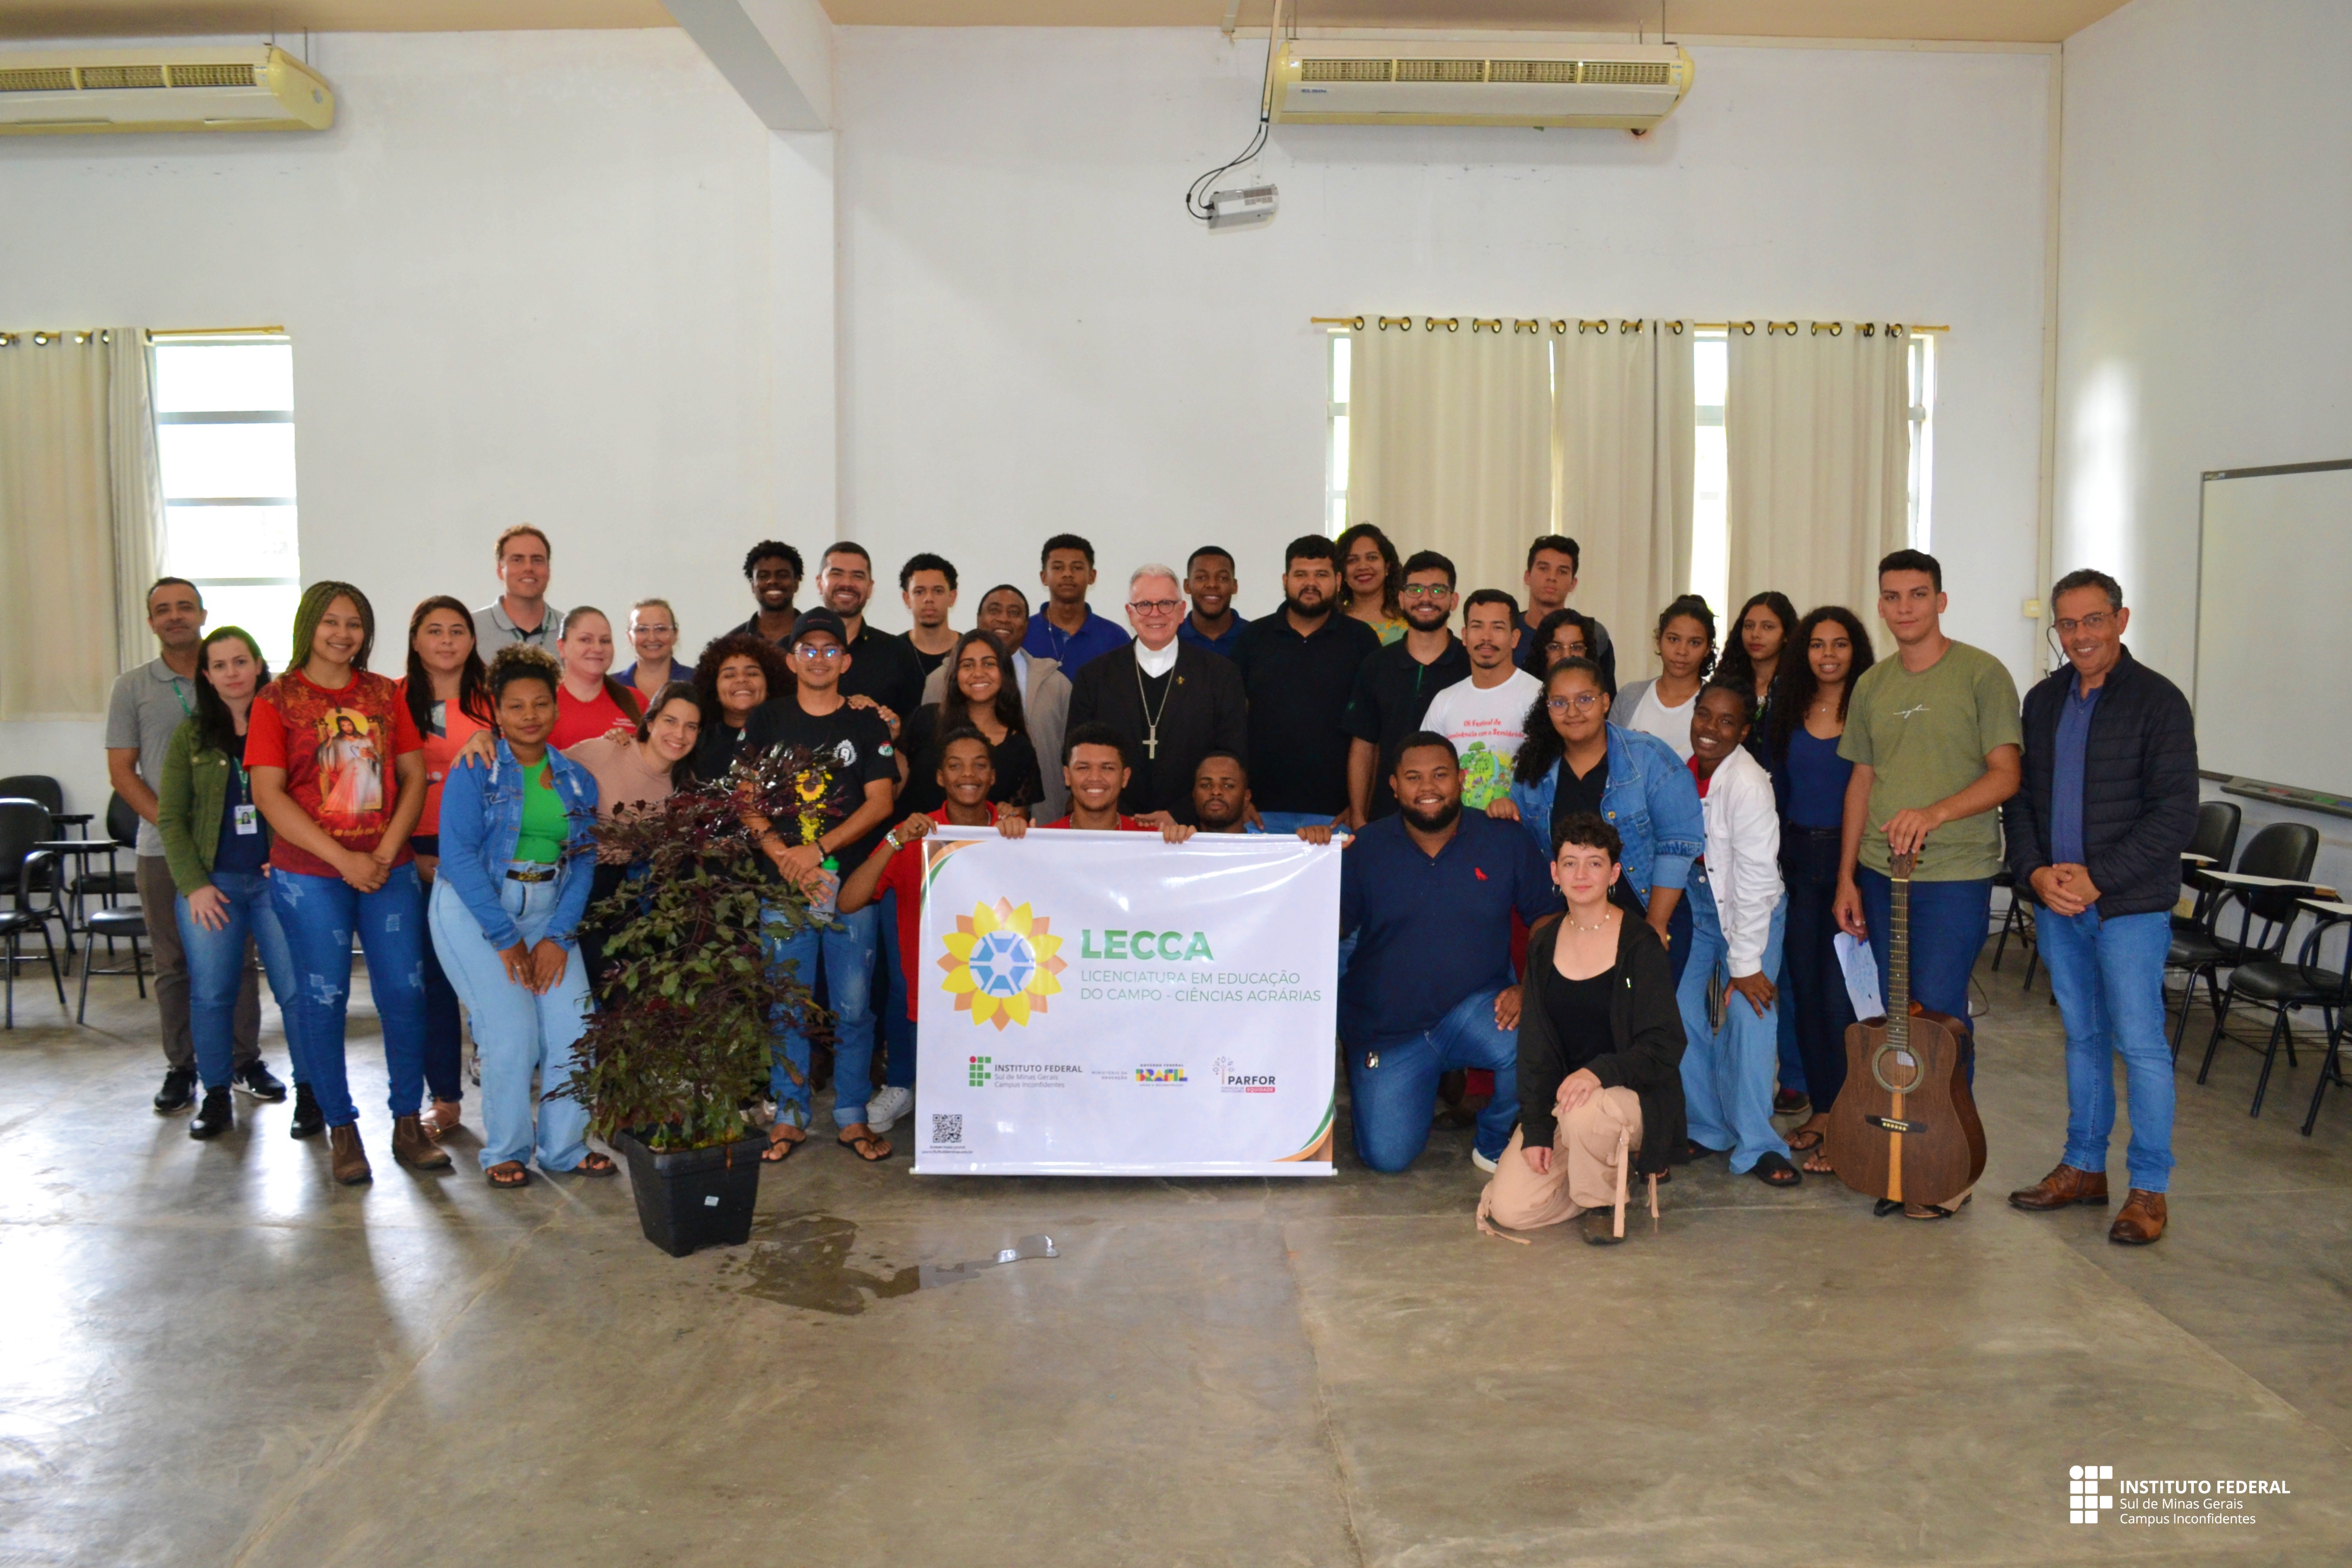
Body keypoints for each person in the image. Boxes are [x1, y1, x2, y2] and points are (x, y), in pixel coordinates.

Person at [2003, 571, 2197, 1246]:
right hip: (2059, 906)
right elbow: (2021, 803)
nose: (2080, 636)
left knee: (2140, 1046)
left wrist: (2098, 881)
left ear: (2121, 619)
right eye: (2068, 624)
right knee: (2082, 1039)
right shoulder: (2044, 701)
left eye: (2093, 620)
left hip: (2129, 908)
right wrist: (2033, 873)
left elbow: (2175, 816)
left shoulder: (2159, 702)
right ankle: (2084, 1167)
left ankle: (2149, 1188)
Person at [1835, 550, 2022, 1219]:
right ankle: (1901, 1159)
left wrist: (1936, 813)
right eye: (1892, 596)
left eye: (1918, 594)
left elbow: (2006, 774)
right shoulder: (1873, 685)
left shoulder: (1982, 675)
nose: (1905, 607)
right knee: (1896, 1024)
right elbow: (1861, 781)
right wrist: (1847, 877)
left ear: (1941, 600)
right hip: (1882, 876)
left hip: (1954, 873)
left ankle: (1947, 1170)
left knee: (1941, 1021)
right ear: (1881, 606)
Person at [247, 581, 435, 1186]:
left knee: (405, 995)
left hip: (388, 867)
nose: (343, 634)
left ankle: (409, 1123)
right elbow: (268, 795)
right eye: (331, 621)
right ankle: (342, 1129)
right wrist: (343, 859)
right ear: (309, 625)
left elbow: (412, 776)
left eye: (355, 623)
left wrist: (381, 852)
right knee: (322, 999)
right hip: (311, 877)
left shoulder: (384, 695)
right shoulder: (275, 701)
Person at [427, 645, 615, 1188]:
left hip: (549, 911)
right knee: (510, 1034)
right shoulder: (476, 768)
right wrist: (506, 937)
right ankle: (506, 1150)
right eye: (515, 706)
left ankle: (563, 1147)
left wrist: (558, 936)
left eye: (539, 704)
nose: (529, 715)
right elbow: (459, 858)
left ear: (555, 708)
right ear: (497, 712)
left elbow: (583, 862)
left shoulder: (578, 780)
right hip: (475, 912)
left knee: (576, 1028)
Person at [1339, 734, 1560, 1173]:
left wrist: (1530, 986)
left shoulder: (1504, 840)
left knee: (1538, 1028)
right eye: (1414, 777)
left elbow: (1547, 917)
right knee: (1387, 1158)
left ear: (1460, 780)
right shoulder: (1365, 849)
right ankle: (1418, 1083)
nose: (1428, 787)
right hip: (1389, 1031)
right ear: (1394, 786)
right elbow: (1326, 926)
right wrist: (1311, 857)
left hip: (1476, 1012)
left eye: (1440, 775)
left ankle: (1496, 1140)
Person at [1477, 813, 1687, 1246]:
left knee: (1586, 1111)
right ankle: (1602, 1176)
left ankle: (1602, 1203)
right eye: (1570, 862)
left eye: (1595, 863)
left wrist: (1598, 1073)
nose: (1581, 873)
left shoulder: (1639, 944)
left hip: (1630, 1098)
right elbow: (1535, 1047)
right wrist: (1536, 1129)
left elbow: (1666, 1044)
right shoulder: (1544, 943)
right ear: (1555, 872)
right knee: (1512, 1211)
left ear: (1613, 874)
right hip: (1566, 1102)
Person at [107, 577, 274, 1112]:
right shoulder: (132, 687)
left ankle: (243, 1060)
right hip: (165, 849)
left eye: (184, 607)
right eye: (163, 610)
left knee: (238, 963)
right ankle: (185, 1068)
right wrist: (185, 832)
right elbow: (122, 771)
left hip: (238, 854)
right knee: (177, 966)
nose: (175, 616)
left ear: (202, 613)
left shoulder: (243, 681)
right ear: (151, 621)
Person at [742, 609, 900, 1165]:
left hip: (848, 887)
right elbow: (748, 801)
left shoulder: (865, 723)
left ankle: (852, 1116)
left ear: (846, 660)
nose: (818, 658)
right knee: (787, 1006)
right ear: (791, 660)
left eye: (829, 649)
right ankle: (789, 1116)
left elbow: (882, 802)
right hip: (784, 886)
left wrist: (819, 850)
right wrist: (783, 854)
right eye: (807, 649)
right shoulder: (767, 719)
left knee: (854, 1008)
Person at [156, 627, 310, 1141]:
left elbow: (308, 800)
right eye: (219, 665)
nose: (231, 673)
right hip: (213, 885)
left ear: (259, 664)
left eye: (240, 661)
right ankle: (217, 1094)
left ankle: (311, 1092)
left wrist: (290, 852)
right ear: (206, 676)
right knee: (213, 993)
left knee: (296, 990)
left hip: (277, 881)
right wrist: (193, 884)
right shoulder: (192, 735)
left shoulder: (284, 725)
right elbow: (172, 818)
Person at [838, 728, 1025, 1126]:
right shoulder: (917, 836)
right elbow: (849, 901)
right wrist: (894, 838)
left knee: (993, 1113)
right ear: (940, 777)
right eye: (955, 766)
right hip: (933, 1005)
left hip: (1005, 998)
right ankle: (908, 1088)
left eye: (979, 765)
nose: (967, 775)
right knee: (949, 1118)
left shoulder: (1015, 833)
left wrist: (1025, 829)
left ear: (993, 776)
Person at [1494, 657, 1704, 986]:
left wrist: (1655, 926)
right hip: (1576, 927)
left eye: (1585, 699)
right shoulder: (1534, 771)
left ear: (1606, 701)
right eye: (1560, 702)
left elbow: (1676, 847)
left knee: (1642, 1028)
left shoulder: (1650, 758)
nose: (1573, 712)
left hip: (1648, 917)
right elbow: (1528, 850)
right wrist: (1506, 809)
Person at [1766, 606, 1876, 1168]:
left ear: (1856, 651)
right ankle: (1825, 1111)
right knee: (1804, 992)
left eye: (1839, 644)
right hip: (1794, 861)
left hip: (1849, 863)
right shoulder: (1787, 708)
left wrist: (1849, 875)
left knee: (1843, 1000)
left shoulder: (1870, 706)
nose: (1828, 655)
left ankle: (1853, 1119)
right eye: (1817, 644)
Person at [1678, 683, 1798, 1187]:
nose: (1711, 728)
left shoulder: (1748, 782)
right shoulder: (1684, 771)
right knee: (1678, 1006)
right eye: (1704, 715)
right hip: (1699, 902)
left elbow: (1756, 879)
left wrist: (1746, 963)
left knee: (1751, 1016)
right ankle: (1707, 1127)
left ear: (1744, 731)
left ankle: (1757, 1144)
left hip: (1755, 910)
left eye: (1727, 722)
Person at [400, 595, 494, 1140]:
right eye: (434, 631)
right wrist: (409, 857)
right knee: (430, 983)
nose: (446, 640)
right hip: (407, 850)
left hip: (478, 853)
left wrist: (467, 862)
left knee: (487, 976)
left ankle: (502, 1076)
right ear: (415, 640)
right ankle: (445, 1097)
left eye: (458, 630)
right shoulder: (391, 701)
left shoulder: (490, 702)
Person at [1064, 565, 1248, 821]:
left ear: (1182, 611)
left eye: (1166, 604)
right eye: (1144, 605)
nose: (1155, 613)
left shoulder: (1220, 675)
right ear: (1130, 612)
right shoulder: (1094, 677)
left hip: (1193, 826)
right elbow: (1076, 755)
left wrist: (1179, 814)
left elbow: (1232, 757)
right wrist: (1121, 815)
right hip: (1113, 822)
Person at [1230, 536, 1378, 832]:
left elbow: (1374, 732)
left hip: (1338, 816)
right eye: (1301, 575)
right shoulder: (1252, 639)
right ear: (1285, 580)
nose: (1310, 584)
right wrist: (1240, 802)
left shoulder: (1361, 640)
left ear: (1337, 580)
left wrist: (1361, 806)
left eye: (1321, 575)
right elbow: (1230, 724)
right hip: (1260, 814)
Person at [922, 583, 1072, 821]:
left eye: (1014, 613)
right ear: (979, 619)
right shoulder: (937, 684)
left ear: (1027, 625)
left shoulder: (1057, 684)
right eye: (994, 610)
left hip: (1033, 826)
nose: (1003, 619)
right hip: (932, 835)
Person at [1342, 550, 1469, 824]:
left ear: (1453, 600)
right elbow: (1363, 747)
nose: (1426, 598)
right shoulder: (1376, 665)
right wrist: (1359, 816)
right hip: (1385, 819)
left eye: (1437, 590)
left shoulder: (1471, 665)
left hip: (1457, 820)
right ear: (1401, 598)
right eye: (1415, 589)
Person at [1419, 590, 1541, 813]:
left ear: (1515, 638)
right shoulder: (1445, 700)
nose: (1486, 637)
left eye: (1497, 627)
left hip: (1522, 832)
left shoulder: (1538, 695)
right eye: (1477, 626)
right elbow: (1425, 766)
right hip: (1457, 834)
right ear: (1464, 636)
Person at [900, 629, 1043, 816]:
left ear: (1004, 672)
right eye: (968, 665)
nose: (978, 673)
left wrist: (1009, 817)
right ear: (955, 674)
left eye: (989, 664)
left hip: (979, 846)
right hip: (913, 841)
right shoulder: (924, 719)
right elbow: (891, 794)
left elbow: (1016, 827)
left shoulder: (1020, 748)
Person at [815, 542, 926, 737]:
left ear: (870, 588)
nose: (847, 583)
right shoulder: (790, 650)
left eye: (857, 576)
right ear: (819, 583)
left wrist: (890, 724)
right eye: (837, 574)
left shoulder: (897, 652)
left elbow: (912, 733)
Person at [1615, 595, 1716, 763]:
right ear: (1659, 640)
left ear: (1708, 648)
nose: (1682, 651)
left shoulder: (1714, 703)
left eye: (1694, 643)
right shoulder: (1630, 696)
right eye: (1674, 639)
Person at [1515, 535, 1619, 687]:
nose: (1552, 577)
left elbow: (1606, 698)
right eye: (1543, 569)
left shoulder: (1594, 634)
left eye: (1562, 572)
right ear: (1528, 577)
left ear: (1573, 584)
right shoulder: (1506, 631)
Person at [689, 632, 792, 781]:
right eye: (729, 675)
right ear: (714, 690)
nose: (741, 680)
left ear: (770, 685)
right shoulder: (698, 743)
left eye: (752, 673)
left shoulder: (788, 737)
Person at [1025, 533, 1132, 672]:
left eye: (1077, 568)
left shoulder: (1115, 638)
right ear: (1044, 577)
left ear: (1092, 576)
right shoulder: (1023, 633)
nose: (1067, 574)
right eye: (1058, 568)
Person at [1716, 591, 1800, 759]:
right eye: (1749, 626)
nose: (1755, 634)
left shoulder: (1798, 686)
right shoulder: (1728, 684)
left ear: (1786, 635)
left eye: (1768, 627)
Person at [548, 606, 644, 751]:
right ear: (561, 647)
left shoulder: (636, 701)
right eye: (586, 640)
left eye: (605, 641)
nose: (598, 649)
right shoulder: (542, 702)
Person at [1042, 723, 1153, 831]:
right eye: (1083, 768)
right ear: (1067, 776)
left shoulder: (1152, 842)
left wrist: (1169, 844)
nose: (1095, 778)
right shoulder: (1041, 841)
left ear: (1125, 777)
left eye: (1108, 768)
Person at [472, 524, 561, 654]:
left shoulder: (571, 632)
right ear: (500, 570)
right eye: (517, 560)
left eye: (537, 560)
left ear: (548, 570)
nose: (528, 568)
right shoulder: (472, 628)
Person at [1334, 523, 1407, 644]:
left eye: (1372, 558)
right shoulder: (1331, 622)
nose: (1363, 566)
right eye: (1352, 560)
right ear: (1342, 572)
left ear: (1387, 567)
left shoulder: (1410, 620)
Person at [900, 552, 960, 680]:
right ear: (907, 599)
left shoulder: (968, 650)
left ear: (952, 597)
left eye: (938, 591)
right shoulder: (892, 652)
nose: (929, 599)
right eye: (919, 592)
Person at [1177, 546, 1244, 658]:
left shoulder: (1255, 637)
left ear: (1235, 586)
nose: (1212, 585)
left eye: (1223, 578)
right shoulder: (1172, 639)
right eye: (1202, 578)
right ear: (1187, 586)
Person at [618, 598, 682, 707]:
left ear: (675, 635)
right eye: (642, 630)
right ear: (630, 637)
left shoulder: (698, 682)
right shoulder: (611, 686)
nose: (652, 638)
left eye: (661, 629)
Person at [737, 541, 803, 645]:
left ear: (796, 583)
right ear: (752, 585)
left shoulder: (816, 635)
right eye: (763, 576)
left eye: (782, 575)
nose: (773, 581)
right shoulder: (735, 643)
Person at [1191, 750, 1256, 834]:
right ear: (1194, 794)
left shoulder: (1267, 846)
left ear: (1246, 797)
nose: (1216, 792)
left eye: (1228, 785)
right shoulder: (1177, 844)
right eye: (1206, 785)